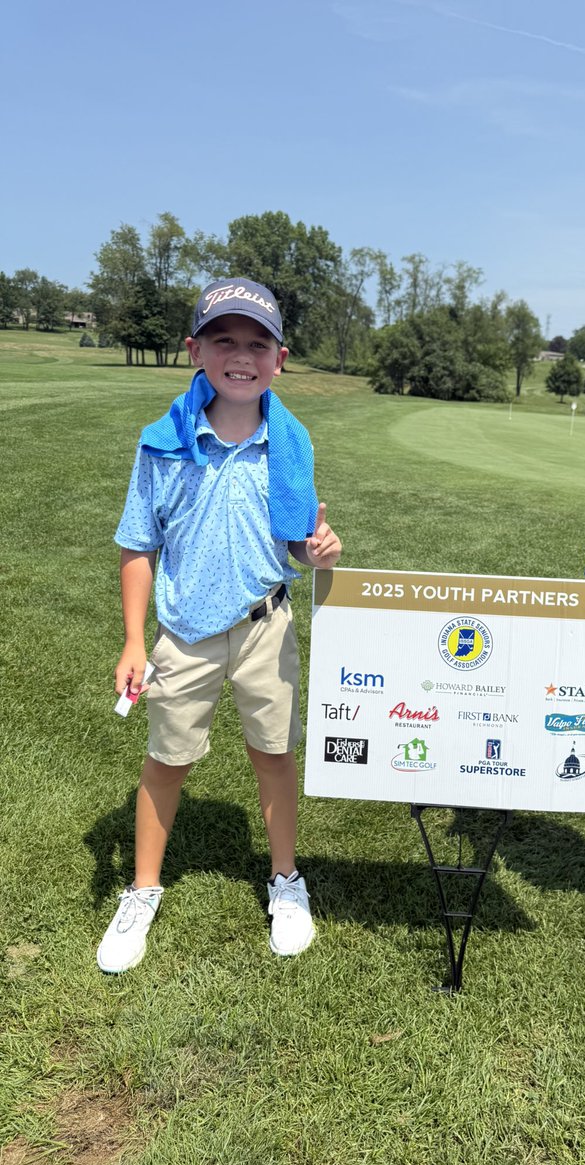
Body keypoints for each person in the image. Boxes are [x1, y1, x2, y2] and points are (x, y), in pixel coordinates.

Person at [97, 278, 342, 974]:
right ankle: (143, 889)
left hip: (266, 622)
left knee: (273, 754)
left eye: (256, 343)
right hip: (184, 630)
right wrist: (133, 639)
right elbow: (138, 546)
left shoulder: (290, 444)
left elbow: (297, 541)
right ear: (195, 350)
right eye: (224, 341)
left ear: (280, 357)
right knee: (168, 760)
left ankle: (286, 881)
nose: (241, 356)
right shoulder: (162, 445)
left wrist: (317, 550)